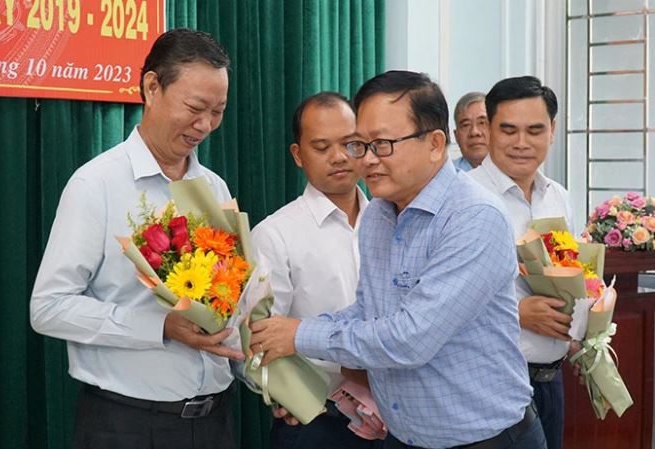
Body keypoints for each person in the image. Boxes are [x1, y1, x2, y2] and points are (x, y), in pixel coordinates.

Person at [248, 71, 546, 449]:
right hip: (403, 437)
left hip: (487, 440)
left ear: (435, 144)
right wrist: (281, 335)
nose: (367, 160)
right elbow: (370, 311)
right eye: (362, 144)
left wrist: (298, 335)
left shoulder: (474, 216)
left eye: (383, 144)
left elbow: (411, 338)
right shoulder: (379, 214)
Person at [30, 28, 245, 449]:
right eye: (195, 108)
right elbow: (49, 308)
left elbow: (227, 305)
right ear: (151, 87)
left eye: (217, 111)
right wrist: (161, 326)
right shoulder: (96, 185)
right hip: (127, 425)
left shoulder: (214, 188)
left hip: (215, 422)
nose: (205, 125)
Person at [251, 92, 377, 449]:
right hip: (318, 422)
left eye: (351, 144)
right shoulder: (275, 234)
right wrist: (284, 393)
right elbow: (257, 339)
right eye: (321, 147)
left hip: (398, 417)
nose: (339, 157)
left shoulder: (391, 222)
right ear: (298, 155)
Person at [468, 75, 573, 449]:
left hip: (552, 378)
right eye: (509, 130)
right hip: (488, 382)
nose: (522, 143)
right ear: (487, 130)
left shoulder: (558, 196)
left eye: (535, 130)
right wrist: (516, 314)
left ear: (553, 130)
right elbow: (431, 301)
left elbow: (567, 271)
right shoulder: (464, 198)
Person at [452, 91, 489, 171]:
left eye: (482, 123)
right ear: (456, 136)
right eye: (466, 125)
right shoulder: (445, 174)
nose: (474, 132)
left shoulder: (514, 171)